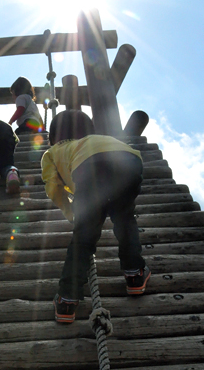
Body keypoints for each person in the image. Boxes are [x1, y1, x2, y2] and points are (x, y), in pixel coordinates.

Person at [41, 110, 150, 324]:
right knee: (125, 219)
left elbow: (53, 187)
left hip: (89, 167)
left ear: (53, 137)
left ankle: (67, 299)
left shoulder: (53, 152)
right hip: (129, 160)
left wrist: (72, 213)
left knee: (84, 236)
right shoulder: (99, 139)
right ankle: (135, 274)